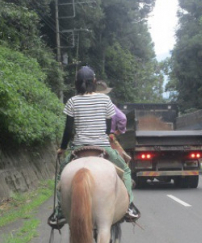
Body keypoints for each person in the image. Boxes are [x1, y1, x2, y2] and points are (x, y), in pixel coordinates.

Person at [48, 67, 140, 229]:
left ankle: (60, 211)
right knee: (125, 170)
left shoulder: (72, 101)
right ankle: (129, 207)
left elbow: (68, 130)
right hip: (102, 146)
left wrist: (62, 148)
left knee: (61, 176)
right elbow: (107, 127)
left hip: (78, 147)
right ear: (95, 82)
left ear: (76, 84)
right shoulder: (105, 100)